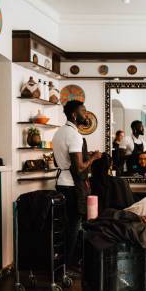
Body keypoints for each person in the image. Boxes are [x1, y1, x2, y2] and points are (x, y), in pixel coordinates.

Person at [52, 100, 101, 271]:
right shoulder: (74, 135)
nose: (86, 114)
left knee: (67, 226)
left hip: (61, 183)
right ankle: (69, 265)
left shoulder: (59, 132)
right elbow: (79, 168)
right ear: (74, 115)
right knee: (73, 227)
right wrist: (94, 157)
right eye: (84, 111)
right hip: (72, 186)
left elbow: (58, 160)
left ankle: (64, 263)